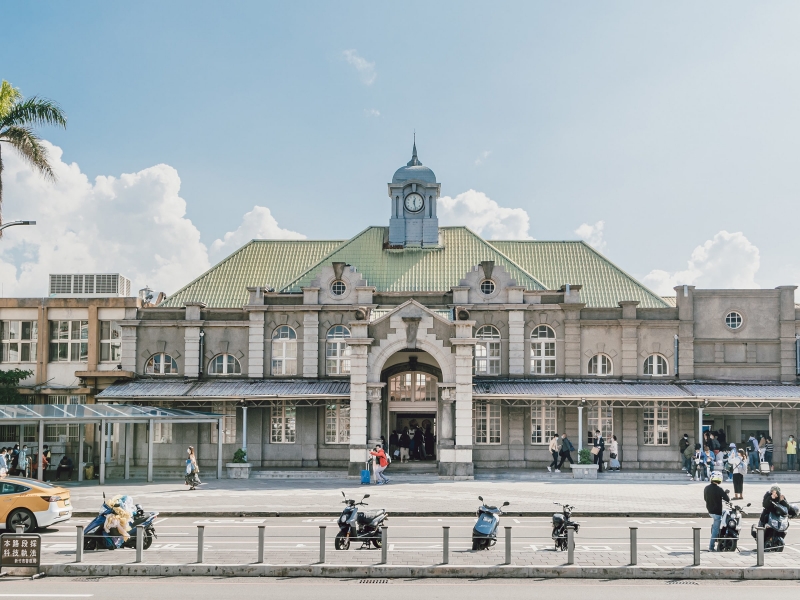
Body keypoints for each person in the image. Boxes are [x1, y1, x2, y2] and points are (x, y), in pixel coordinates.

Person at [704, 471, 730, 551]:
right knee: (715, 530)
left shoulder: (706, 488)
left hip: (710, 510)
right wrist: (726, 493)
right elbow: (727, 499)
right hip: (717, 512)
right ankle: (711, 547)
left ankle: (719, 532)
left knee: (724, 513)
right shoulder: (719, 489)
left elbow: (705, 498)